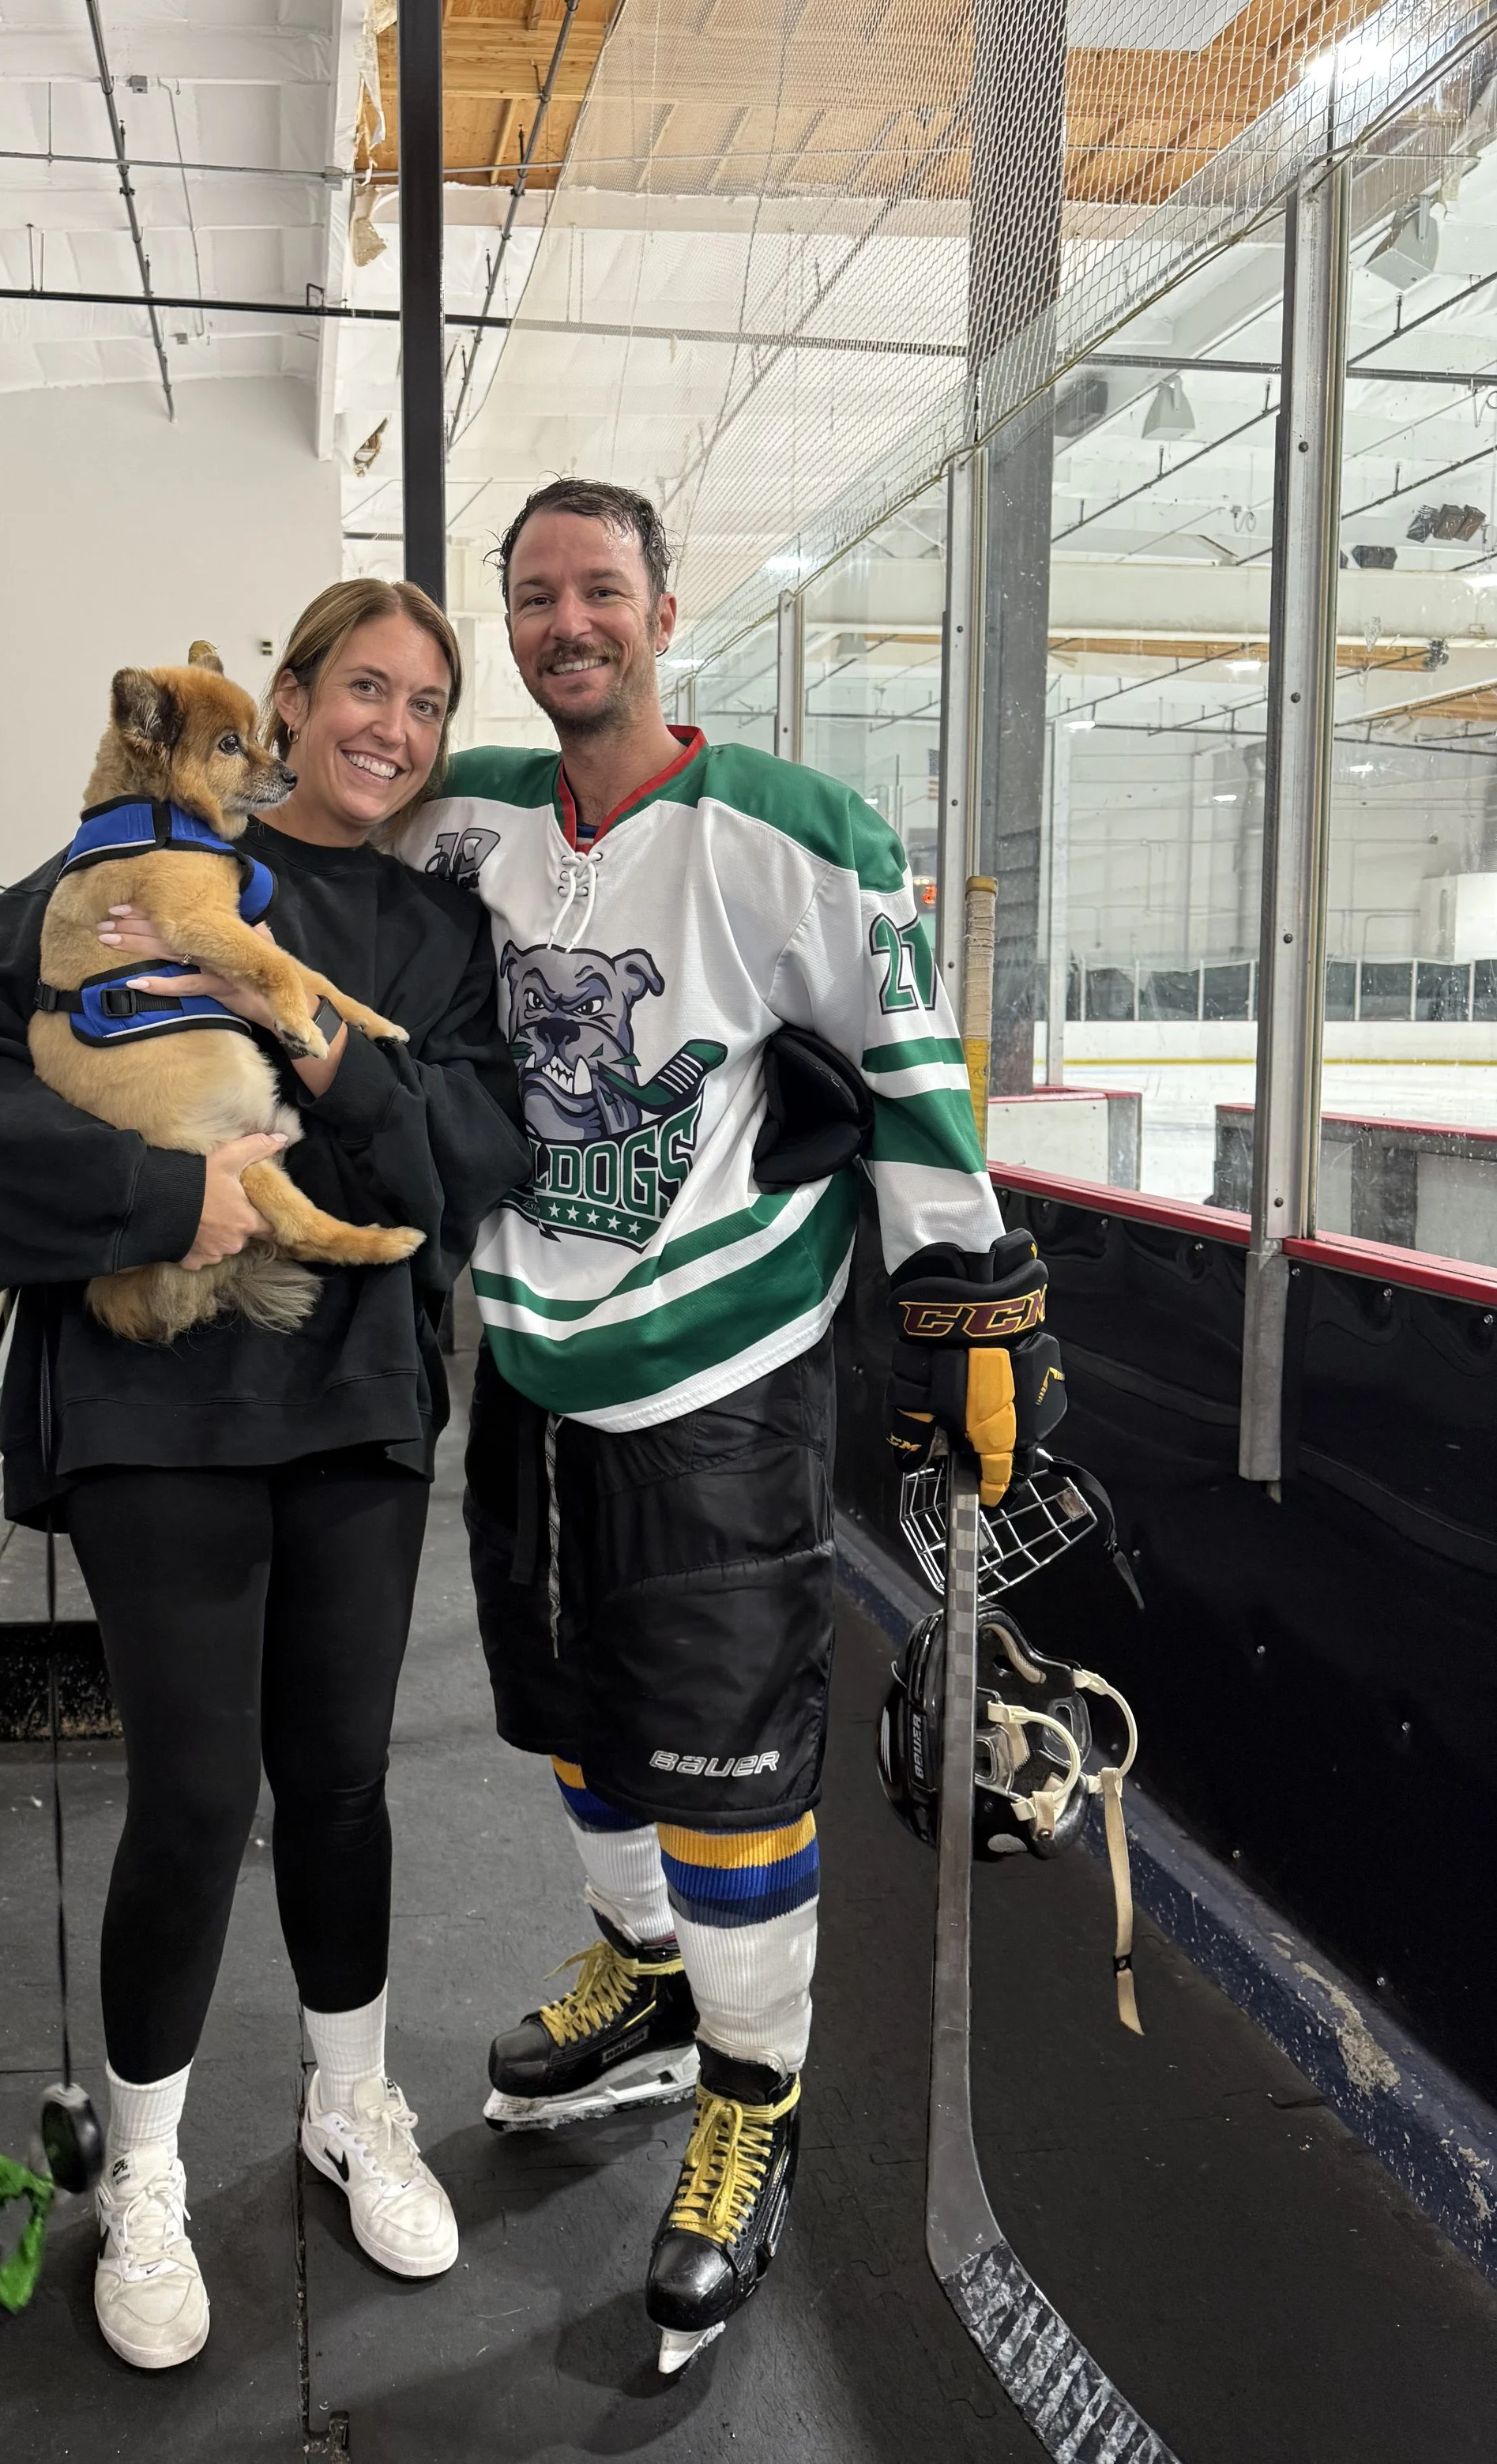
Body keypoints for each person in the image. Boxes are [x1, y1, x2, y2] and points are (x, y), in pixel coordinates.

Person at [393, 480, 1062, 2370]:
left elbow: (916, 1074)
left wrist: (964, 1308)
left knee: (728, 1765)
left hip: (718, 1386)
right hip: (526, 1365)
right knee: (573, 1716)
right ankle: (649, 1976)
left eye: (600, 589)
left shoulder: (795, 833)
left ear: (664, 609)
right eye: (534, 596)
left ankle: (751, 2099)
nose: (566, 621)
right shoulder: (474, 822)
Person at [0, 582, 528, 2372]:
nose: (386, 726)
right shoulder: (99, 884)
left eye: (423, 698)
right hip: (160, 1403)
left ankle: (352, 2101)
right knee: (192, 1790)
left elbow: (469, 1155)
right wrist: (170, 1201)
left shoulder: (428, 937)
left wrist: (323, 1043)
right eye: (356, 690)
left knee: (336, 1781)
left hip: (359, 1400)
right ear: (289, 703)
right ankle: (145, 2175)